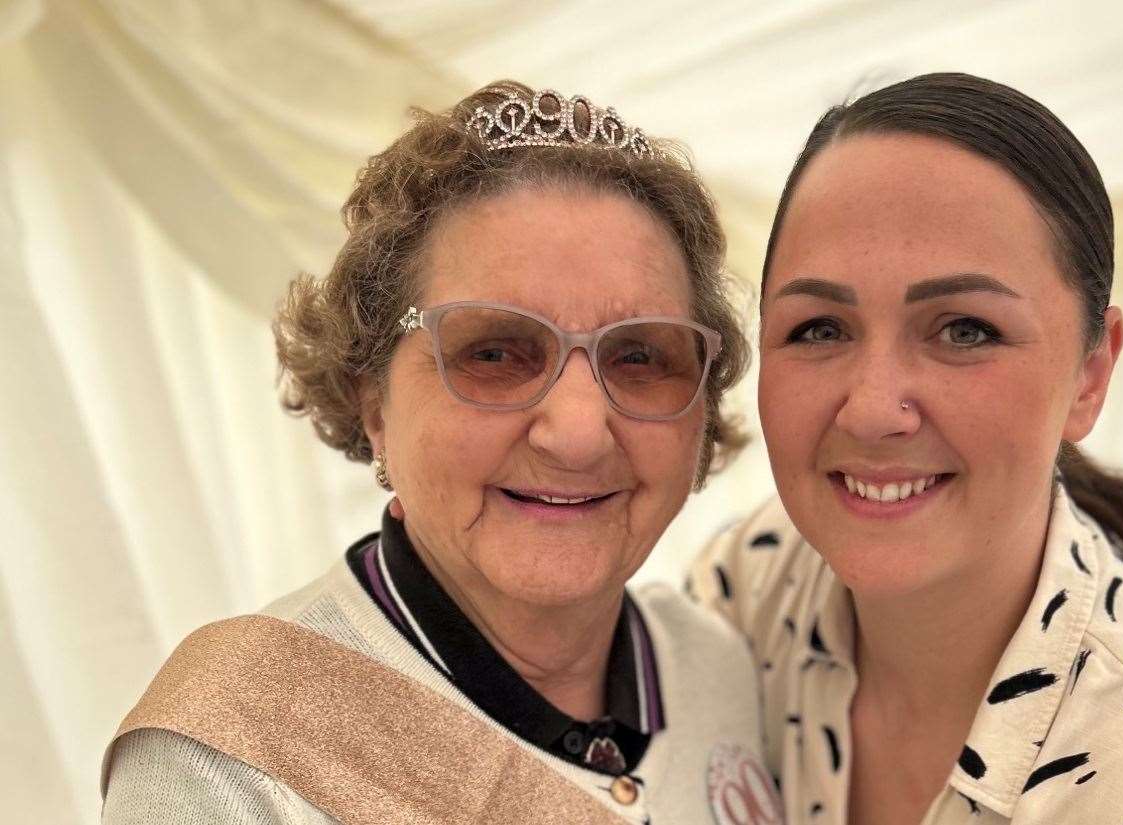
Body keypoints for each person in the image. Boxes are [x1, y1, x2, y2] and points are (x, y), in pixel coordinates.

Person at [690, 73, 1123, 824]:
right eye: (819, 327)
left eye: (964, 330)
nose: (873, 409)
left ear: (1089, 374)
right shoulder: (752, 586)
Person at [102, 82, 780, 824]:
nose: (579, 430)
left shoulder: (717, 666)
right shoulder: (226, 760)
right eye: (494, 352)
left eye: (641, 357)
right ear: (373, 403)